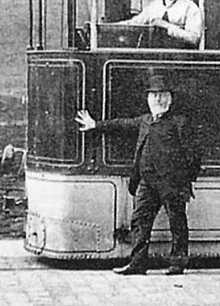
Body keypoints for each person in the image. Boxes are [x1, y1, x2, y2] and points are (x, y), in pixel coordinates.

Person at [75, 74, 201, 276]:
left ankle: (178, 264)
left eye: (162, 96)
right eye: (154, 96)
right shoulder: (144, 121)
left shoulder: (180, 123)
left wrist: (182, 182)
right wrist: (95, 125)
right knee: (139, 222)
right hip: (146, 183)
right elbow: (121, 124)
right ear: (148, 99)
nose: (158, 100)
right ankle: (138, 263)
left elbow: (194, 157)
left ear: (170, 99)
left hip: (172, 185)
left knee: (177, 224)